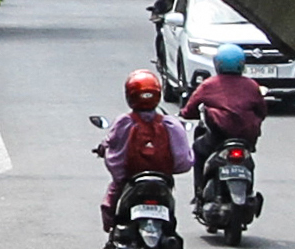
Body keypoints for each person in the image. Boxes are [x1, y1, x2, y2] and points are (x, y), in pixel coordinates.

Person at [100, 70, 183, 230]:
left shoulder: (124, 122)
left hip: (130, 178)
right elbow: (183, 157)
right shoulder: (170, 124)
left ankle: (111, 230)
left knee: (110, 200)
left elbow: (111, 141)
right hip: (163, 178)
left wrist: (102, 147)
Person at [182, 41, 267, 189]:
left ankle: (199, 191)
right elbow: (262, 111)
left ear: (217, 64)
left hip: (218, 138)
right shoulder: (252, 85)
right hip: (246, 139)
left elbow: (189, 111)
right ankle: (249, 191)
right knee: (249, 162)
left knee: (198, 148)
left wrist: (184, 114)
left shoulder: (208, 85)